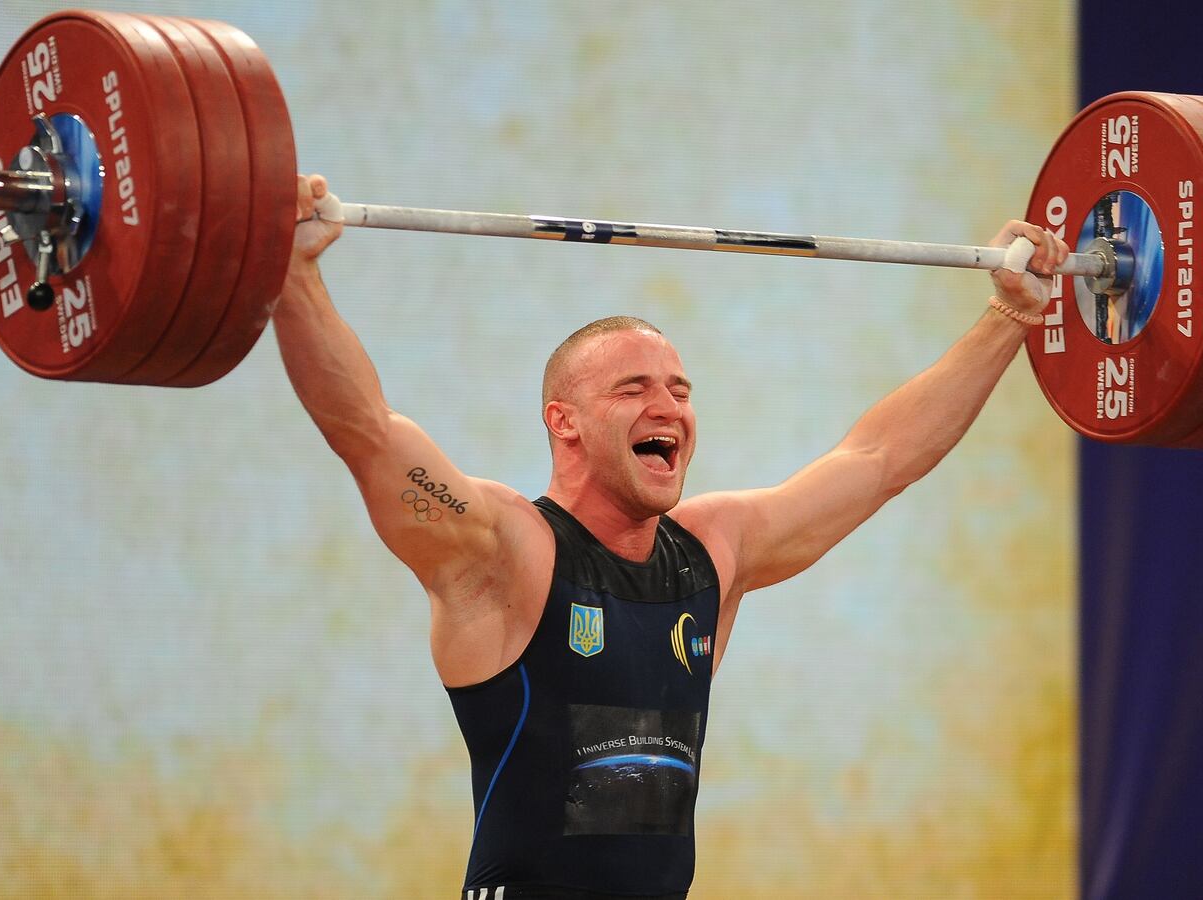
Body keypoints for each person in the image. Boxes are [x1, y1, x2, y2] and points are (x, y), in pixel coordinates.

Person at [274, 174, 1068, 900]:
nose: (669, 407)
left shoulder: (713, 554)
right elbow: (368, 434)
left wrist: (1010, 316)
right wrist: (291, 277)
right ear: (566, 423)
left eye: (680, 390)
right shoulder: (506, 552)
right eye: (634, 388)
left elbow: (880, 458)